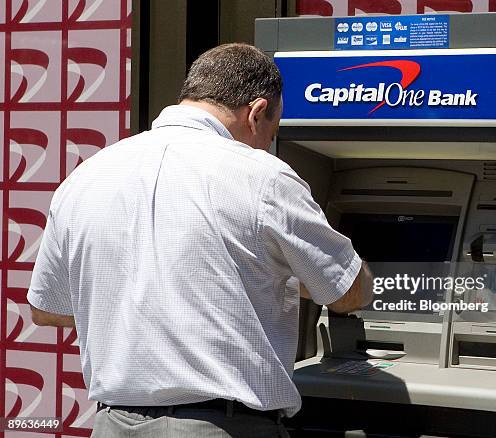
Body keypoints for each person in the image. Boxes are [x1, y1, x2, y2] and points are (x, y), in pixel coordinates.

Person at [27, 43, 373, 437]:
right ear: (257, 113)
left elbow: (48, 309)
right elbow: (347, 292)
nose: (267, 144)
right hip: (222, 426)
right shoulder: (263, 178)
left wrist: (138, 302)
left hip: (113, 424)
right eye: (271, 133)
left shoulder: (87, 176)